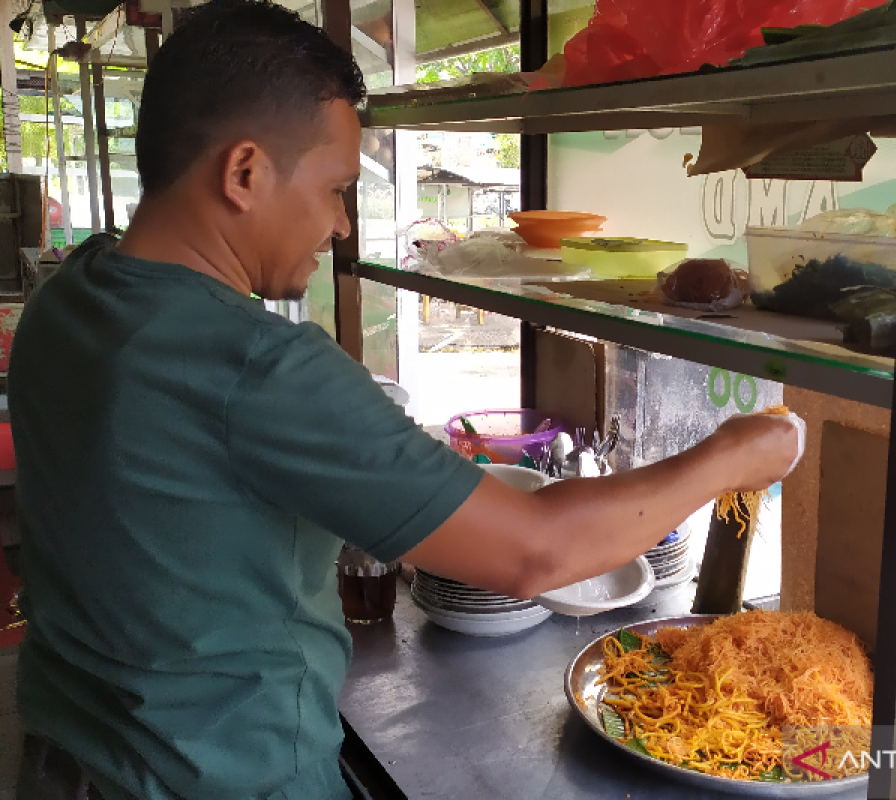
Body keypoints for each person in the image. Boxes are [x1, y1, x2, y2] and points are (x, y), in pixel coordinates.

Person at [9, 1, 802, 798]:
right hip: (220, 775)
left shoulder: (70, 295)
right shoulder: (256, 365)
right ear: (243, 172)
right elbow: (536, 552)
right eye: (334, 188)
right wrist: (733, 454)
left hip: (71, 753)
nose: (341, 224)